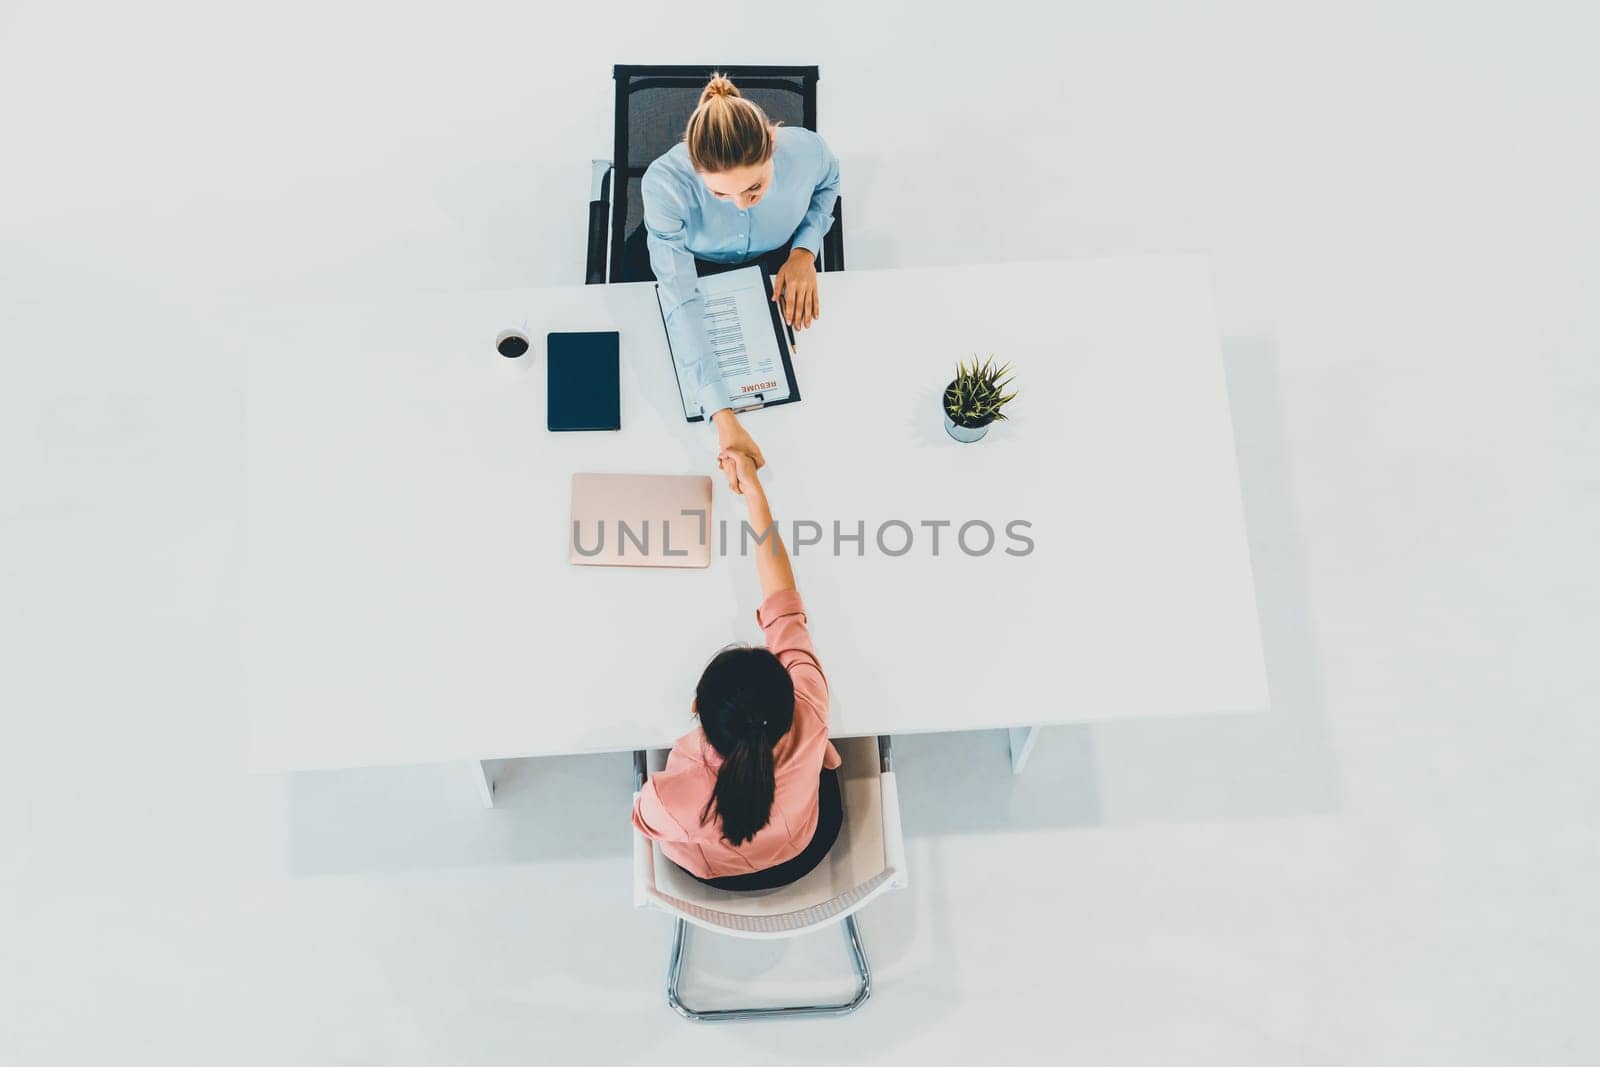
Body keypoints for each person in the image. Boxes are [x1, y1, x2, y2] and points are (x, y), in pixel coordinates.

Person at [630, 448, 843, 889]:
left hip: (722, 874)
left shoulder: (670, 797)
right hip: (808, 845)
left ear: (695, 706)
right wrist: (754, 491)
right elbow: (785, 606)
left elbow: (647, 825)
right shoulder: (811, 699)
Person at [635, 72, 841, 492]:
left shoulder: (806, 151)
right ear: (695, 169)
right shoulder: (664, 184)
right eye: (721, 195)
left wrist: (804, 250)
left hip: (774, 261)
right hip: (694, 262)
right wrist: (722, 415)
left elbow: (829, 185)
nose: (741, 204)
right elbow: (680, 298)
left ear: (772, 145)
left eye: (754, 187)